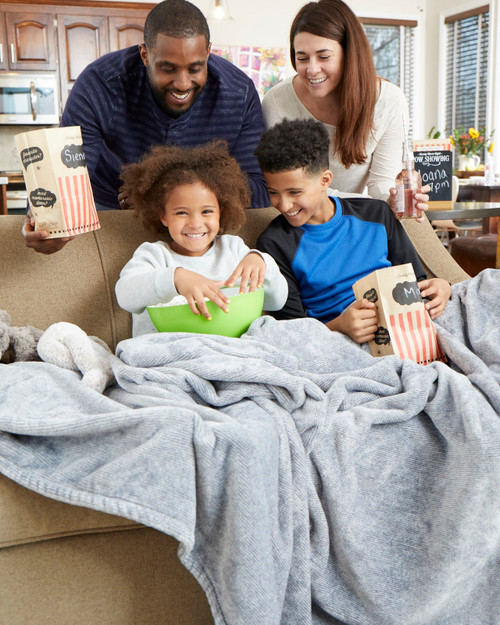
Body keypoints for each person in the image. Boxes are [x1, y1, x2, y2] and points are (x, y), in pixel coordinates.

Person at [23, 0, 269, 255]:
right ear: (145, 54)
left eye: (195, 68)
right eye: (168, 68)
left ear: (208, 52)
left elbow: (260, 190)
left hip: (198, 225)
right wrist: (44, 217)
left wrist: (162, 193)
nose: (183, 83)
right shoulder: (100, 84)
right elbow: (67, 175)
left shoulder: (239, 93)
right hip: (109, 212)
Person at [254, 118, 451, 344]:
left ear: (325, 180)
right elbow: (292, 329)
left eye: (294, 192)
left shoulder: (376, 214)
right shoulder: (274, 243)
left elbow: (416, 281)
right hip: (340, 341)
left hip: (405, 323)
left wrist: (443, 287)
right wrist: (338, 327)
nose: (284, 205)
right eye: (273, 192)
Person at [261, 0, 429, 212]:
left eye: (324, 57)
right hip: (299, 219)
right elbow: (291, 187)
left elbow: (381, 183)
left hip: (355, 217)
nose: (312, 70)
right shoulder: (277, 102)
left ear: (349, 55)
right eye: (302, 58)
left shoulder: (389, 102)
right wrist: (374, 205)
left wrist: (393, 200)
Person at [115, 141, 288, 337]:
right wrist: (176, 278)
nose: (195, 223)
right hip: (170, 350)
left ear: (220, 213)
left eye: (207, 211)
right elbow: (124, 295)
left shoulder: (234, 249)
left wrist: (261, 261)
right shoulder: (155, 255)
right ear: (163, 216)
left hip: (232, 349)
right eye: (181, 213)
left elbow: (277, 301)